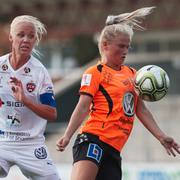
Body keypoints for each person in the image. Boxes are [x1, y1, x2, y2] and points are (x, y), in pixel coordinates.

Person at [56, 7, 180, 180]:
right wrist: (67, 135)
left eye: (127, 47)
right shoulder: (95, 72)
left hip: (114, 149)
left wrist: (161, 136)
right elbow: (83, 106)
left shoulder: (133, 74)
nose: (125, 51)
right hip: (93, 139)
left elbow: (141, 109)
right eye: (121, 46)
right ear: (105, 45)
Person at [0, 15, 61, 180]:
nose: (26, 40)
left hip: (30, 144)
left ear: (35, 40)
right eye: (21, 35)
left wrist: (25, 100)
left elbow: (52, 113)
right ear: (11, 37)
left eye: (31, 36)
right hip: (2, 141)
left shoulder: (40, 72)